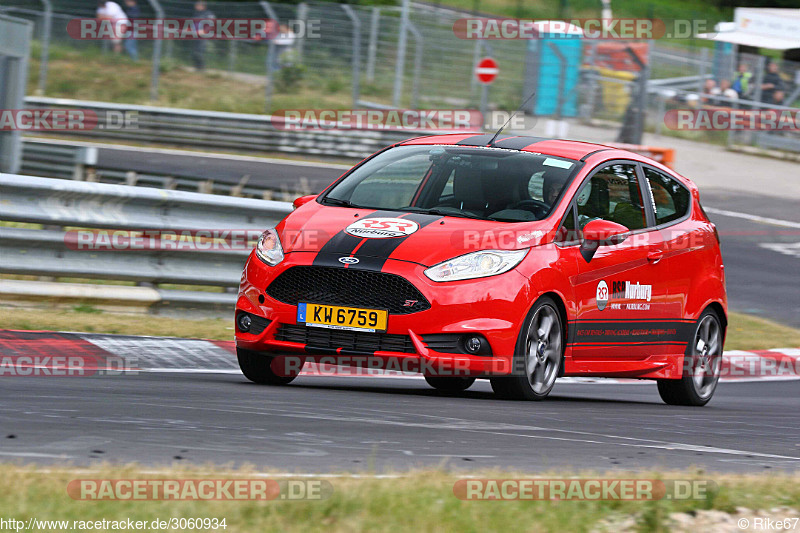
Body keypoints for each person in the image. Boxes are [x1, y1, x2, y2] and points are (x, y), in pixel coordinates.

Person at [191, 1, 216, 71]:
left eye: (197, 5)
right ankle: (197, 68)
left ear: (203, 6)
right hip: (196, 36)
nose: (196, 7)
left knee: (199, 52)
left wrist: (204, 31)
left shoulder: (208, 14)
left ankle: (202, 68)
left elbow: (211, 24)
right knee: (194, 53)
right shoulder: (196, 14)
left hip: (204, 36)